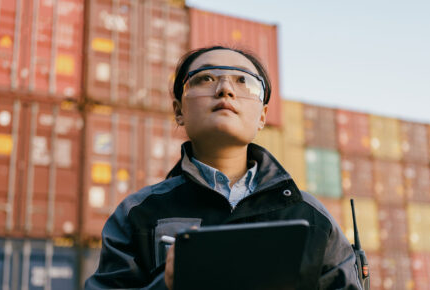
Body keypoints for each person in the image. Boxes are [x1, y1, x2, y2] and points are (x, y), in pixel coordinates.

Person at [84, 46, 362, 290]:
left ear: (262, 116)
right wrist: (166, 285)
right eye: (205, 78)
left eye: (244, 81)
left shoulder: (312, 216)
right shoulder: (138, 214)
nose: (225, 89)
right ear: (179, 110)